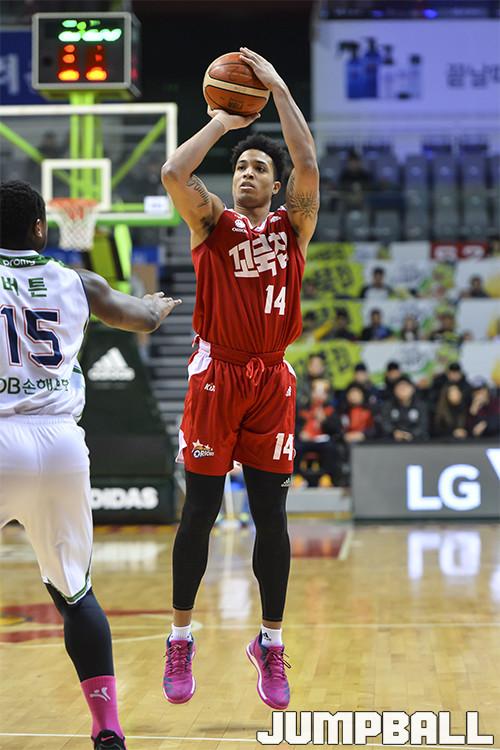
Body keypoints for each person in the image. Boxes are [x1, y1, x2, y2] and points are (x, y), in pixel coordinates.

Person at [160, 48, 319, 710]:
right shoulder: (212, 223)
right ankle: (180, 638)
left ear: (276, 186)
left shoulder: (294, 226)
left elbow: (307, 162)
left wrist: (277, 88)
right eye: (241, 168)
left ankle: (271, 644)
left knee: (271, 518)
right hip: (217, 377)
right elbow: (174, 171)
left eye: (260, 168)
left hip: (271, 381)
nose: (248, 173)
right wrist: (224, 123)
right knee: (199, 511)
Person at [0, 181, 181, 750]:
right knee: (74, 593)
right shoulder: (77, 281)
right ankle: (108, 728)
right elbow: (142, 319)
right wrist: (156, 307)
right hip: (59, 444)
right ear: (39, 228)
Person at [295, 378, 337, 486]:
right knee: (295, 447)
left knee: (331, 448)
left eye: (322, 392)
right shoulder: (303, 408)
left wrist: (325, 421)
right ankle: (297, 476)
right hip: (305, 440)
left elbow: (335, 430)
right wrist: (300, 433)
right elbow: (295, 424)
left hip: (322, 441)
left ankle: (326, 476)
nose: (318, 395)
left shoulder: (331, 410)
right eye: (316, 392)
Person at [379, 375, 429, 441]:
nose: (402, 390)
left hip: (417, 441)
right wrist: (394, 432)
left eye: (405, 387)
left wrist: (411, 434)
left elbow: (423, 425)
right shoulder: (388, 405)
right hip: (392, 441)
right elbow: (385, 423)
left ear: (412, 389)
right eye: (399, 387)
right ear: (394, 390)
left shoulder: (421, 405)